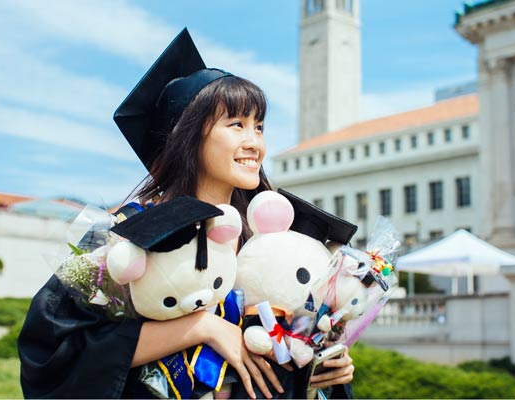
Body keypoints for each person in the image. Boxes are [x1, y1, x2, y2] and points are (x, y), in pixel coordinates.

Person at [18, 28, 354, 399]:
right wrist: (202, 327)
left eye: (258, 126)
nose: (254, 142)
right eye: (236, 125)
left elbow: (294, 341)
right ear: (188, 137)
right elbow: (55, 351)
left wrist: (328, 361)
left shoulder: (269, 241)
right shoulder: (128, 232)